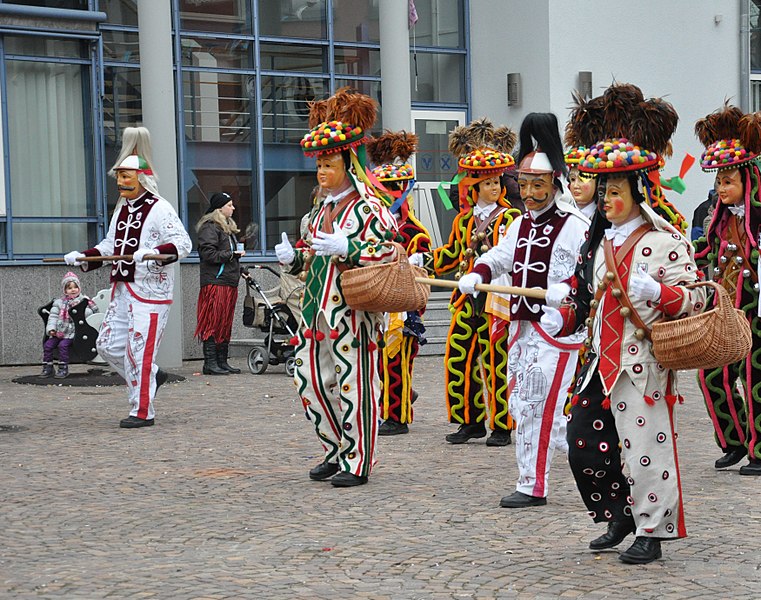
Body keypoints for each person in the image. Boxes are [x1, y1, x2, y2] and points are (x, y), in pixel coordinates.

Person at [554, 84, 705, 564]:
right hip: (599, 362)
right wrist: (560, 310)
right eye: (604, 193)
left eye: (615, 192)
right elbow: (589, 304)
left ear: (636, 192)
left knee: (646, 450)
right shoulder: (597, 244)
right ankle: (618, 513)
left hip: (641, 364)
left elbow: (697, 297)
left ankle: (652, 532)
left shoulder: (666, 240)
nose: (607, 201)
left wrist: (659, 294)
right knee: (582, 443)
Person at [457, 113, 589, 507]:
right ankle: (585, 457)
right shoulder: (520, 224)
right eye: (525, 184)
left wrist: (557, 293)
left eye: (538, 185)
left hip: (559, 329)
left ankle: (533, 485)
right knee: (523, 403)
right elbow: (500, 256)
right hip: (523, 325)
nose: (529, 194)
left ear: (554, 184)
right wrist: (477, 272)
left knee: (539, 404)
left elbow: (584, 275)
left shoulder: (573, 224)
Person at [275, 88, 398, 487]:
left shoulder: (369, 208)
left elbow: (389, 250)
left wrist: (352, 246)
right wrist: (291, 259)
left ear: (348, 162)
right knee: (308, 378)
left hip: (352, 309)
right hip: (313, 312)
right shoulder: (317, 212)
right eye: (319, 165)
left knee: (353, 382)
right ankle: (335, 448)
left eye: (329, 163)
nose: (322, 172)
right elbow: (309, 262)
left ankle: (358, 460)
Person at [410, 118, 521, 447]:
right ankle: (468, 421)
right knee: (459, 357)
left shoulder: (510, 218)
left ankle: (502, 424)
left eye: (497, 182)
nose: (494, 188)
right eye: (487, 183)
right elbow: (453, 255)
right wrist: (425, 260)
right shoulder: (463, 220)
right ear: (473, 188)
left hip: (495, 300)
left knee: (496, 362)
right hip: (465, 299)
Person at [63, 152, 192, 429]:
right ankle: (152, 376)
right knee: (107, 345)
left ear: (142, 178)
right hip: (122, 288)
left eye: (125, 176)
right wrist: (83, 257)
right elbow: (110, 246)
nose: (120, 182)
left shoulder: (160, 208)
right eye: (119, 177)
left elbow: (182, 244)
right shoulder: (122, 208)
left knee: (138, 352)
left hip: (150, 292)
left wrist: (152, 253)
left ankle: (143, 410)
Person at [694, 104, 761, 475]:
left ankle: (760, 448)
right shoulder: (718, 221)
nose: (721, 189)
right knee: (711, 375)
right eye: (719, 181)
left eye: (728, 181)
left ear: (746, 180)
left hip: (756, 314)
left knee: (755, 377)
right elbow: (703, 254)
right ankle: (733, 441)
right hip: (725, 313)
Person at [367, 130, 432, 436]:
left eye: (390, 189)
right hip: (380, 302)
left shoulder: (414, 230)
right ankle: (398, 402)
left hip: (403, 308)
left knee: (396, 364)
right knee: (385, 365)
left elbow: (426, 263)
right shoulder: (378, 226)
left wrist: (416, 262)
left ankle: (398, 416)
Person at [195, 192, 245, 375]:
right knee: (213, 321)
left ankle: (222, 361)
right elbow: (208, 254)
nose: (233, 208)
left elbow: (226, 255)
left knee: (225, 322)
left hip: (228, 281)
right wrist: (231, 255)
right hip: (215, 282)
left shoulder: (227, 229)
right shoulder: (210, 228)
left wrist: (240, 268)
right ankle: (210, 363)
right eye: (230, 205)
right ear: (220, 208)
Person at [41, 272, 99, 379]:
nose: (73, 290)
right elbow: (53, 317)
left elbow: (92, 313)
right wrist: (51, 330)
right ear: (65, 290)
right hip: (59, 332)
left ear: (79, 288)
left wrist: (78, 310)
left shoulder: (83, 301)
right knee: (48, 345)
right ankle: (48, 367)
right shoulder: (59, 303)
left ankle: (63, 368)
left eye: (75, 287)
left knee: (63, 346)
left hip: (73, 333)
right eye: (69, 288)